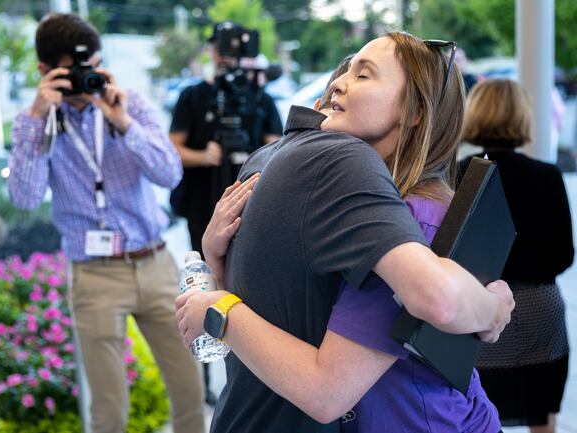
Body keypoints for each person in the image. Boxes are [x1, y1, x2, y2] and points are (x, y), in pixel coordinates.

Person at [175, 31, 514, 433]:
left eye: (364, 75)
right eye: (346, 70)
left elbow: (326, 387)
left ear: (413, 111)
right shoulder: (358, 201)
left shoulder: (413, 217)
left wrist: (219, 311)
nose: (337, 82)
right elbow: (291, 322)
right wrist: (218, 257)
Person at [7, 13, 205, 433]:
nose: (87, 78)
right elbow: (24, 197)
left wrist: (123, 123)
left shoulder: (129, 102)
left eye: (93, 67)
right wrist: (39, 119)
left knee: (190, 390)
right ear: (46, 71)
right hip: (94, 276)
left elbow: (170, 174)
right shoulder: (37, 123)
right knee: (109, 408)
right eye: (74, 71)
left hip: (155, 265)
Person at [168, 22, 282, 403]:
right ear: (211, 50)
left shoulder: (259, 99)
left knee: (250, 294)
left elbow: (280, 154)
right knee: (198, 290)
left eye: (233, 49)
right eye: (221, 48)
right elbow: (174, 149)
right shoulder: (194, 97)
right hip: (202, 208)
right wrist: (205, 156)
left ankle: (254, 373)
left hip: (252, 217)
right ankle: (202, 378)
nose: (227, 56)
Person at [459, 78, 574, 433]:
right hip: (538, 314)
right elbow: (563, 256)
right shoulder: (546, 175)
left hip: (478, 316)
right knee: (542, 418)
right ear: (522, 117)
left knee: (472, 417)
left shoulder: (460, 174)